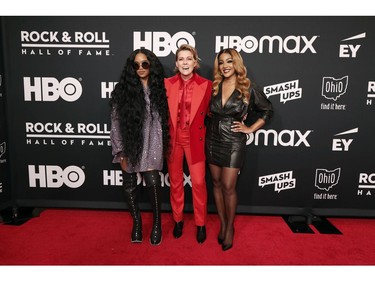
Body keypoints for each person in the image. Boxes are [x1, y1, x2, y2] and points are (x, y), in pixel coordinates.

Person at [205, 48, 273, 251]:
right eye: (221, 62)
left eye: (229, 61)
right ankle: (224, 225)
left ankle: (231, 227)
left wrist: (250, 128)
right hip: (212, 138)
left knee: (228, 186)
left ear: (236, 64)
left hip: (234, 140)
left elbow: (267, 110)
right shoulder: (215, 86)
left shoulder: (248, 87)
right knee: (216, 184)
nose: (225, 66)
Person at [110, 48, 170, 245]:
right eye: (136, 65)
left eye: (145, 63)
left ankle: (156, 224)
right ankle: (136, 223)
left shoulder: (162, 88)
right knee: (129, 184)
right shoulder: (122, 90)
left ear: (151, 64)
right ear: (131, 67)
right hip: (130, 142)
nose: (141, 68)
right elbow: (116, 121)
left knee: (153, 181)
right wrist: (120, 150)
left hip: (154, 142)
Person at [164, 44, 212, 244]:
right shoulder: (166, 83)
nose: (185, 62)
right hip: (173, 139)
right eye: (181, 59)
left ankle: (200, 224)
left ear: (195, 62)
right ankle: (178, 220)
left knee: (199, 183)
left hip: (195, 139)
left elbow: (213, 112)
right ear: (176, 63)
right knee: (175, 183)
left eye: (188, 58)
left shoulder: (206, 85)